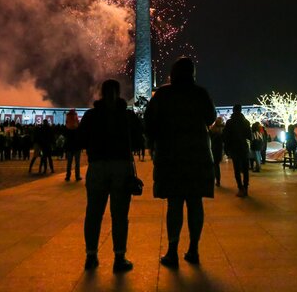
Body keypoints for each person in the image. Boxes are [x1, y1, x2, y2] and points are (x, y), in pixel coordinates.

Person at [145, 58, 216, 268]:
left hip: (171, 155)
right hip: (198, 155)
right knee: (195, 203)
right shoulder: (200, 93)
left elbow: (149, 123)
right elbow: (211, 118)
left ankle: (172, 250)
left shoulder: (163, 94)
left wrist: (155, 141)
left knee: (174, 204)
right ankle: (193, 249)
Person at [78, 79, 141, 273]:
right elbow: (139, 141)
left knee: (93, 214)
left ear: (101, 93)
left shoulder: (91, 116)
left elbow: (80, 139)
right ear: (118, 93)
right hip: (121, 167)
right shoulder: (127, 116)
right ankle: (119, 257)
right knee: (120, 215)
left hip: (97, 166)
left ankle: (91, 256)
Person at [223, 104, 252, 197]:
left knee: (237, 169)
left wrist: (226, 149)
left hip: (234, 148)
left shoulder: (229, 122)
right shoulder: (246, 122)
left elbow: (226, 137)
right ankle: (246, 188)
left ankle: (240, 188)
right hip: (244, 147)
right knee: (245, 169)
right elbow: (250, 136)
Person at [64, 109, 82, 182]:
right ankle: (77, 176)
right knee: (77, 163)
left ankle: (68, 176)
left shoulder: (67, 128)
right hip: (77, 147)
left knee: (69, 163)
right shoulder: (77, 128)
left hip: (69, 147)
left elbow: (65, 138)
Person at [209, 117, 225, 186]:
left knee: (213, 165)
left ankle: (213, 179)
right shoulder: (223, 130)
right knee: (216, 165)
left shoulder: (212, 129)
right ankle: (218, 180)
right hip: (219, 149)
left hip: (212, 148)